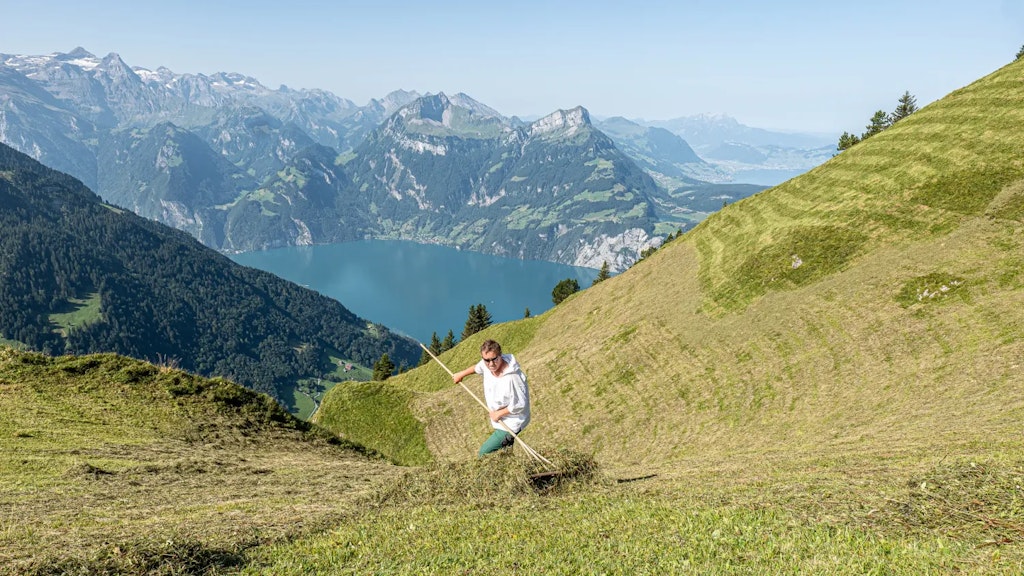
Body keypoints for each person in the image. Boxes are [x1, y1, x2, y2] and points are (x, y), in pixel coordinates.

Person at [453, 339, 531, 457]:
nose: (491, 364)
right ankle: (510, 466)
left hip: (512, 422)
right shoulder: (487, 366)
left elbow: (520, 404)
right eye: (487, 360)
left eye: (494, 359)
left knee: (484, 453)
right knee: (504, 452)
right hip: (501, 419)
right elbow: (477, 368)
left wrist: (499, 414)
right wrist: (460, 375)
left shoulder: (513, 377)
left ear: (501, 355)